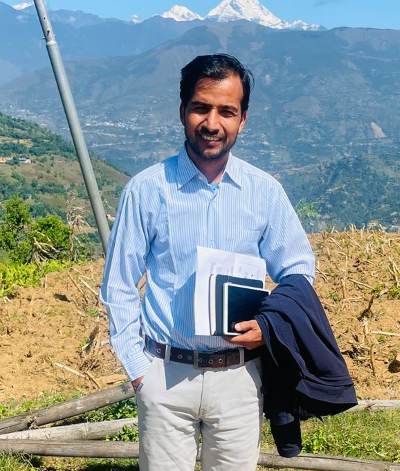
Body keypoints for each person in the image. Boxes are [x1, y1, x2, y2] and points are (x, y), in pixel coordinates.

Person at [100, 53, 315, 471]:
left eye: (226, 111)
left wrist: (270, 325)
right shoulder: (146, 190)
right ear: (183, 110)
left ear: (243, 119)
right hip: (165, 375)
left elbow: (297, 271)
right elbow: (119, 285)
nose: (212, 123)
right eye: (201, 107)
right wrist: (140, 371)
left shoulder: (265, 192)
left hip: (239, 378)